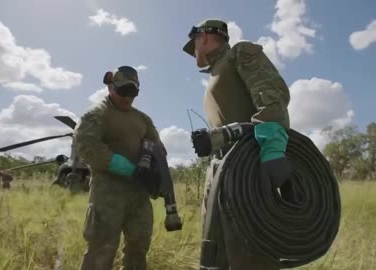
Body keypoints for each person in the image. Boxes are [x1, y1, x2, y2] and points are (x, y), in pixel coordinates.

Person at [182, 19, 291, 269]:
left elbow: (272, 94)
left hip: (247, 169)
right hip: (220, 170)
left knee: (251, 254)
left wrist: (273, 147)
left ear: (204, 38)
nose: (193, 54)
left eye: (194, 45)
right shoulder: (216, 72)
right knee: (215, 253)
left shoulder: (239, 53)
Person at [74, 66, 162, 270]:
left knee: (138, 247)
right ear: (110, 87)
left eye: (132, 92)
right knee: (101, 248)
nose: (126, 97)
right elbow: (86, 144)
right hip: (107, 193)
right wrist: (124, 167)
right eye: (122, 91)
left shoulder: (142, 119)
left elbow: (157, 149)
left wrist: (156, 177)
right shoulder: (98, 114)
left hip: (139, 193)